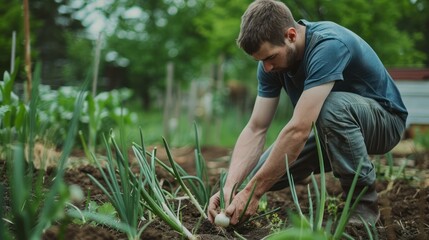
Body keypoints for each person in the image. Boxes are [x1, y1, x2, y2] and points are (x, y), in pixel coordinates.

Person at [207, 0, 408, 227]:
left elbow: (299, 129)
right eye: (260, 61)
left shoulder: (328, 45)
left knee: (331, 107)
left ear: (291, 35)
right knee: (255, 173)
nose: (267, 68)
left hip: (384, 121)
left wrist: (253, 193)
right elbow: (256, 127)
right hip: (330, 126)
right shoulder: (270, 63)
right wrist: (232, 186)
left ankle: (362, 206)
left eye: (270, 57)